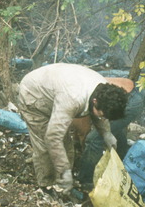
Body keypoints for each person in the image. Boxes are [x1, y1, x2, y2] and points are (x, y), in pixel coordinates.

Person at [16, 63, 129, 194]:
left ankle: (62, 184)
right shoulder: (73, 99)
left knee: (66, 146)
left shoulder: (104, 89)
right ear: (95, 101)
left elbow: (99, 115)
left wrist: (106, 133)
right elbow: (52, 137)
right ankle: (46, 185)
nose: (102, 118)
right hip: (34, 96)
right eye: (102, 114)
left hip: (55, 91)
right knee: (44, 145)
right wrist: (64, 171)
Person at [75, 74, 145, 190]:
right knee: (114, 131)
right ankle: (122, 161)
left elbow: (84, 129)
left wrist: (83, 147)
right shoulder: (82, 81)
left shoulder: (79, 92)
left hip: (130, 100)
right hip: (133, 94)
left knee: (93, 139)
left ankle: (85, 181)